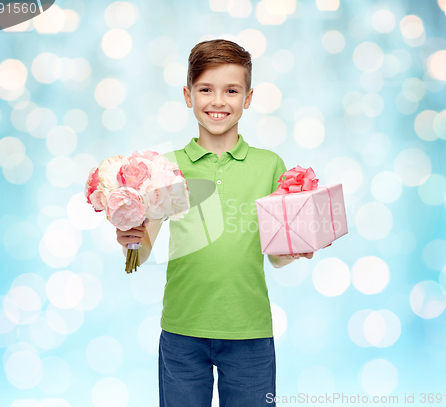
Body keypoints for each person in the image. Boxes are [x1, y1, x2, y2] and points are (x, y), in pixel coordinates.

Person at [116, 39, 331, 407]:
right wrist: (131, 237)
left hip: (249, 332)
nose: (218, 101)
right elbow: (145, 246)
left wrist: (295, 248)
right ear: (188, 95)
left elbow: (275, 255)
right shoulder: (164, 167)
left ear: (247, 98)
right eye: (205, 89)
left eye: (231, 90)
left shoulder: (269, 165)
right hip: (182, 331)